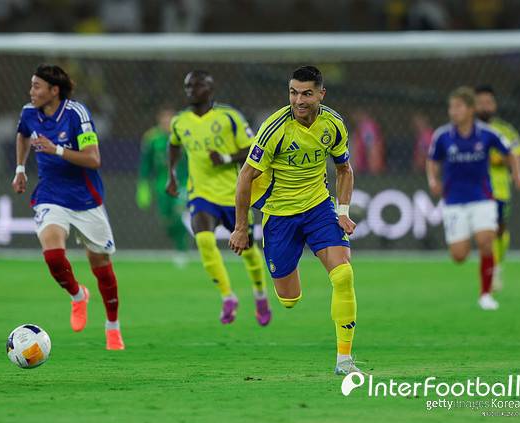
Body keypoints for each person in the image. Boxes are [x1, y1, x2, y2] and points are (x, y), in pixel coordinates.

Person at [229, 66, 362, 375]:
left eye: (306, 93)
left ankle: (344, 361)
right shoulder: (274, 128)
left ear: (321, 94)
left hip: (318, 208)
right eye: (293, 92)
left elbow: (344, 169)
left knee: (343, 275)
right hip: (279, 216)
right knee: (289, 299)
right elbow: (245, 176)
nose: (299, 100)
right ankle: (293, 255)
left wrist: (342, 212)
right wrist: (241, 227)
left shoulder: (333, 124)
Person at [12, 64, 124, 350]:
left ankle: (112, 326)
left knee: (101, 265)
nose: (31, 91)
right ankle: (77, 295)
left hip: (85, 199)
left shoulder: (77, 114)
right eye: (32, 85)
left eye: (37, 86)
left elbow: (94, 159)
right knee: (52, 255)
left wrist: (57, 150)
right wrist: (20, 168)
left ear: (54, 90)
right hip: (51, 194)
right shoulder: (29, 113)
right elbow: (23, 134)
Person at [166, 70, 272, 326]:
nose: (191, 90)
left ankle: (260, 294)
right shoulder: (180, 121)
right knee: (204, 240)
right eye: (187, 86)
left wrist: (225, 158)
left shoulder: (229, 117)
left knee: (249, 251)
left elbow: (253, 147)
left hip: (234, 196)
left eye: (197, 85)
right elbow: (174, 144)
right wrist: (172, 174)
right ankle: (228, 296)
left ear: (210, 89)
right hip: (201, 194)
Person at [426, 86, 520, 311]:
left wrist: (518, 173)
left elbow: (511, 152)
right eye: (451, 107)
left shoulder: (488, 134)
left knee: (485, 241)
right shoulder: (443, 136)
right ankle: (468, 235)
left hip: (482, 197)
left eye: (458, 107)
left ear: (470, 109)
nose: (453, 111)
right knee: (459, 255)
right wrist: (433, 180)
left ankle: (486, 294)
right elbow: (432, 160)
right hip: (454, 201)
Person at [474, 85, 520, 291]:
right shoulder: (466, 131)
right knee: (484, 232)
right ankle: (491, 268)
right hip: (473, 189)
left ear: (495, 105)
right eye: (481, 103)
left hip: (499, 189)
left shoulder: (504, 130)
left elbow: (518, 154)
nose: (485, 107)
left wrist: (505, 162)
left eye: (489, 102)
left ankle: (495, 266)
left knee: (498, 230)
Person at [136, 107, 189, 262]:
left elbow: (192, 161)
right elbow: (145, 164)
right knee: (166, 219)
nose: (167, 122)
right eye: (164, 119)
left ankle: (181, 250)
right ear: (159, 120)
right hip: (161, 185)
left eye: (170, 119)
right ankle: (177, 240)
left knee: (179, 214)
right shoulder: (151, 138)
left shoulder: (183, 136)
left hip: (181, 184)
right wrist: (143, 185)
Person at [351, 108, 386, 175]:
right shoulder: (362, 126)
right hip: (364, 165)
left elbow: (371, 146)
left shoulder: (367, 126)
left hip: (368, 166)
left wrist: (373, 166)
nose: (354, 116)